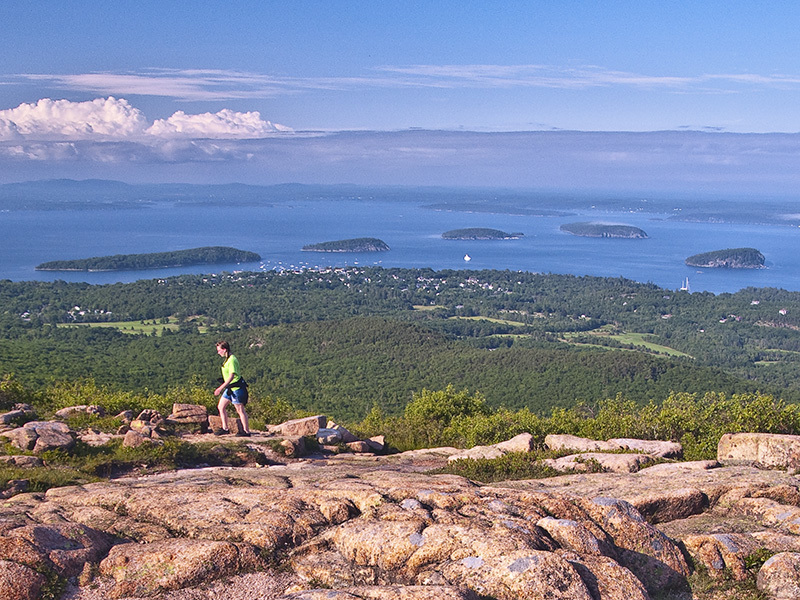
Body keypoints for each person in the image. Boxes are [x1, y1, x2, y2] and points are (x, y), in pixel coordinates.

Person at [213, 340, 251, 436]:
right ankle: (225, 428)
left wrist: (220, 388)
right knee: (221, 407)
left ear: (224, 350)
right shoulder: (227, 359)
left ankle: (246, 431)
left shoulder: (232, 360)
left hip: (236, 389)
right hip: (230, 389)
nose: (218, 352)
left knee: (240, 410)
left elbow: (232, 376)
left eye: (219, 350)